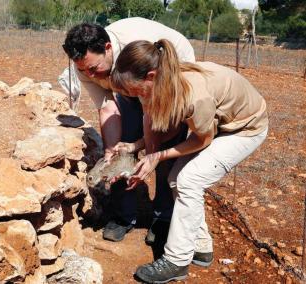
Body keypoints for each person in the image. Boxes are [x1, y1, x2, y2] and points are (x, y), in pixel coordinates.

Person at [110, 39, 268, 283]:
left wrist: (158, 156)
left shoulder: (193, 95)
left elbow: (201, 139)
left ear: (151, 76)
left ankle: (176, 261)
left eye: (136, 91)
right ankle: (201, 246)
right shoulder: (160, 82)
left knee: (188, 179)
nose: (134, 97)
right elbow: (165, 127)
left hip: (245, 128)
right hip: (219, 124)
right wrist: (137, 147)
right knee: (177, 178)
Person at [62, 17, 195, 242]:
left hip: (167, 80)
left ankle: (163, 216)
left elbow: (152, 117)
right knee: (122, 146)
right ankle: (124, 216)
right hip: (129, 84)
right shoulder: (86, 66)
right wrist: (110, 151)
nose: (89, 75)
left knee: (165, 148)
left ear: (108, 48)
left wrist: (151, 155)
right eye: (83, 70)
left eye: (93, 68)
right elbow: (106, 107)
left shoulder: (137, 46)